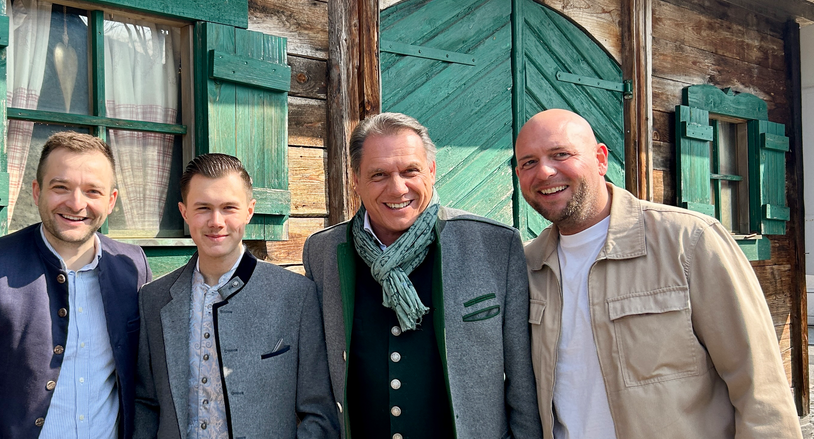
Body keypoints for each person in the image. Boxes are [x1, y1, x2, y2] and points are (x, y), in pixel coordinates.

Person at [514, 108, 802, 439]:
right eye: (528, 162)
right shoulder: (527, 266)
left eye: (560, 154)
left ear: (600, 159)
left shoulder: (689, 241)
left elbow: (759, 388)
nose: (545, 171)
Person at [303, 112, 542, 438]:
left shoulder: (496, 246)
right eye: (379, 175)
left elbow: (522, 380)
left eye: (410, 171)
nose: (397, 187)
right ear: (355, 179)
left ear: (431, 171)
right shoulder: (323, 252)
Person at [0, 132, 153, 438]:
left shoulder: (132, 265)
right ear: (36, 191)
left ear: (110, 201)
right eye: (61, 187)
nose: (76, 203)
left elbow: (144, 383)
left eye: (92, 191)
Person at [134, 153, 339, 439]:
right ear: (184, 212)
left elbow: (319, 413)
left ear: (249, 211)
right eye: (203, 208)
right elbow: (145, 403)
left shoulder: (297, 295)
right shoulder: (153, 299)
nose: (216, 221)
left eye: (229, 207)